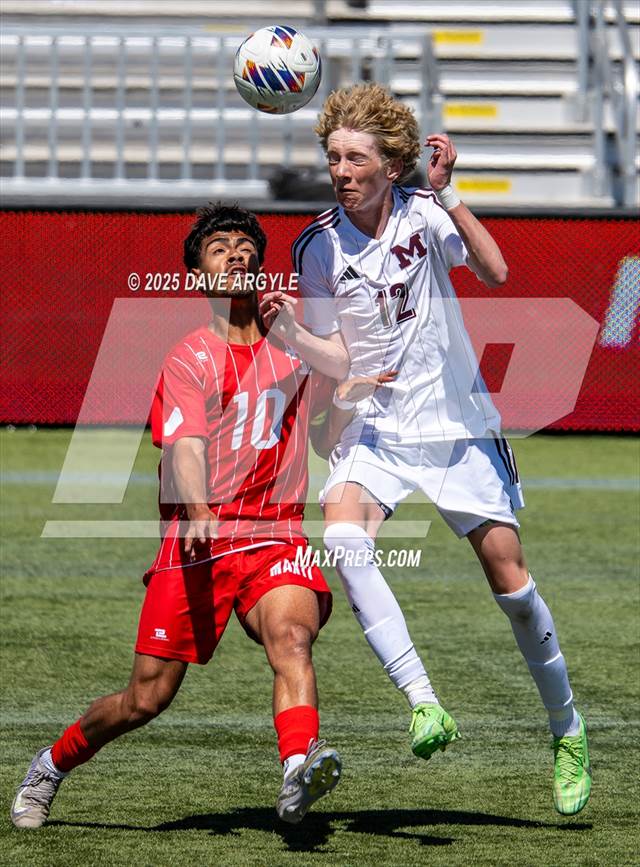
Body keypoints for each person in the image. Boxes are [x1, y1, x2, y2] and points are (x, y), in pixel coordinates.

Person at [261, 84, 591, 816]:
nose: (342, 170)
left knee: (510, 582)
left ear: (392, 163)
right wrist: (290, 334)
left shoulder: (423, 214)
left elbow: (497, 271)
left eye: (356, 158)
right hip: (378, 425)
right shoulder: (315, 245)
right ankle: (424, 702)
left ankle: (567, 728)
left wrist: (450, 197)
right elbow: (338, 357)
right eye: (333, 157)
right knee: (344, 540)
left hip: (458, 427)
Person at [10, 204, 343, 830]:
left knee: (292, 639)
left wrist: (304, 341)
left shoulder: (295, 348)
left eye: (246, 245)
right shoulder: (188, 359)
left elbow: (345, 387)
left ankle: (297, 766)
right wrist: (196, 511)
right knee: (145, 698)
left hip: (275, 536)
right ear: (197, 276)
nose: (237, 253)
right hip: (198, 542)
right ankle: (50, 765)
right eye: (219, 247)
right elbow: (185, 448)